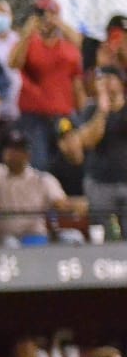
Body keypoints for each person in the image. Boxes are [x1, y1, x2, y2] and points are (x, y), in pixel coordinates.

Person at [8, 0, 85, 174]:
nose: (46, 18)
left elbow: (76, 80)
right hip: (34, 117)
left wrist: (80, 112)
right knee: (38, 165)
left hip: (63, 116)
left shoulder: (67, 45)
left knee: (71, 164)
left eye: (51, 13)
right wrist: (27, 34)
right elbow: (13, 63)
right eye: (42, 13)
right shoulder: (28, 43)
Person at [0, 129, 83, 245]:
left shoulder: (41, 179)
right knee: (10, 243)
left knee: (75, 237)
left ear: (27, 154)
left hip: (36, 235)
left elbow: (61, 203)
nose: (12, 154)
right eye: (9, 149)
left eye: (18, 150)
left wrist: (71, 205)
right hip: (5, 238)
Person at [77, 67, 127, 235]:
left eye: (110, 78)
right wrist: (103, 110)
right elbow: (89, 141)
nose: (105, 83)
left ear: (121, 82)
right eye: (101, 79)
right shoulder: (91, 110)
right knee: (102, 233)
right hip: (100, 182)